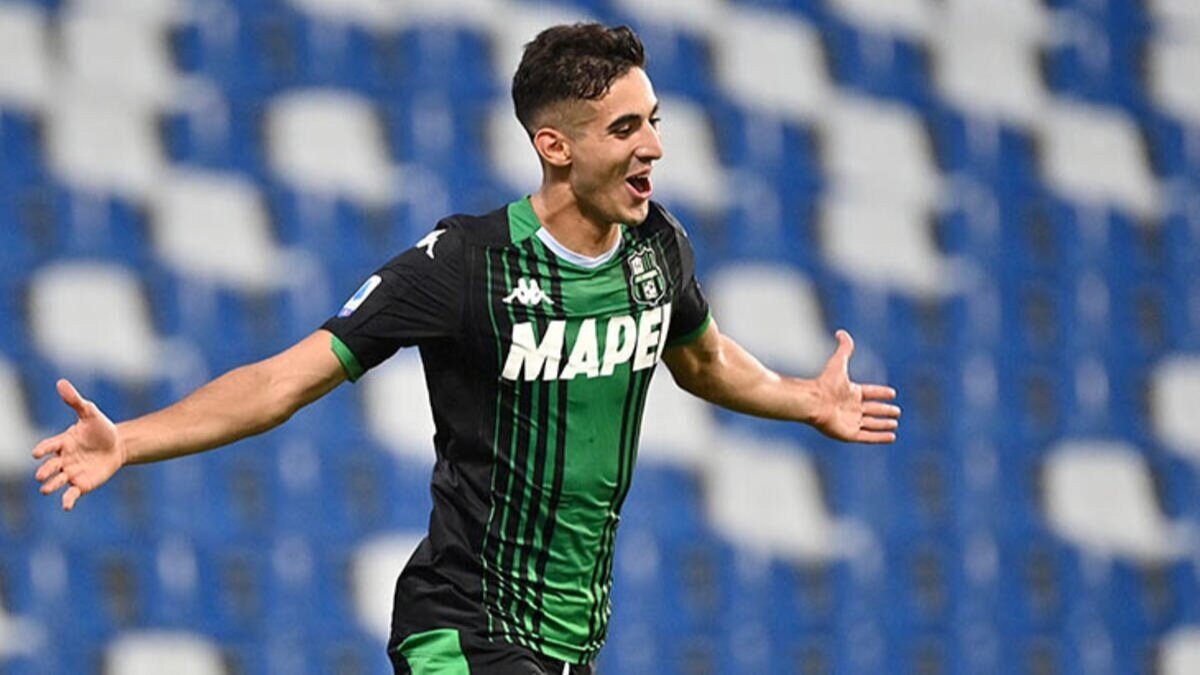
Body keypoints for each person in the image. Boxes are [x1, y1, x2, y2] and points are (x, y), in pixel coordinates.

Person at [32, 22, 901, 675]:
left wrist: (805, 398)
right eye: (626, 128)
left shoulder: (657, 249)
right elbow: (281, 381)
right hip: (462, 627)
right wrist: (130, 438)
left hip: (570, 642)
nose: (655, 146)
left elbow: (704, 361)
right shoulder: (462, 266)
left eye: (654, 121)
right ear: (554, 145)